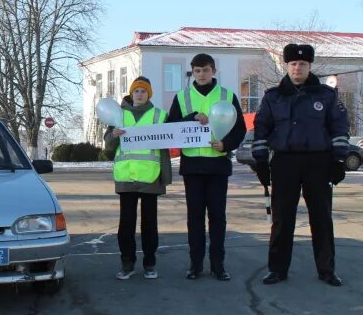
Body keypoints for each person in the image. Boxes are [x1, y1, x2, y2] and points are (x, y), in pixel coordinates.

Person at [252, 44, 349, 287]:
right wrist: (261, 161)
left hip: (318, 161)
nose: (298, 68)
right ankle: (277, 269)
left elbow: (339, 127)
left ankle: (327, 270)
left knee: (321, 217)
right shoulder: (273, 96)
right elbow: (261, 128)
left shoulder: (326, 96)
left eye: (303, 64)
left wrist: (339, 160)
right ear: (287, 66)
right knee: (282, 218)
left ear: (309, 66)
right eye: (294, 64)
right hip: (285, 161)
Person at [167, 54, 245, 281]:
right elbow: (171, 127)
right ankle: (195, 265)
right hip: (192, 166)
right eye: (198, 70)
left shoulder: (226, 95)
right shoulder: (182, 97)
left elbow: (239, 128)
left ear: (214, 71)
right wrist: (191, 117)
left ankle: (218, 265)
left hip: (218, 165)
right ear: (193, 72)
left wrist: (225, 145)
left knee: (218, 218)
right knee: (195, 218)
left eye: (206, 70)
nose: (202, 74)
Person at [104, 77, 172, 280]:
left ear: (149, 94)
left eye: (143, 91)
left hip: (150, 178)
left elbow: (171, 140)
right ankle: (127, 263)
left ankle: (150, 263)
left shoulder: (159, 115)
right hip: (126, 176)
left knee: (149, 224)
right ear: (131, 94)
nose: (140, 94)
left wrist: (165, 176)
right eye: (137, 91)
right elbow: (107, 147)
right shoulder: (118, 115)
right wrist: (113, 136)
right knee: (126, 224)